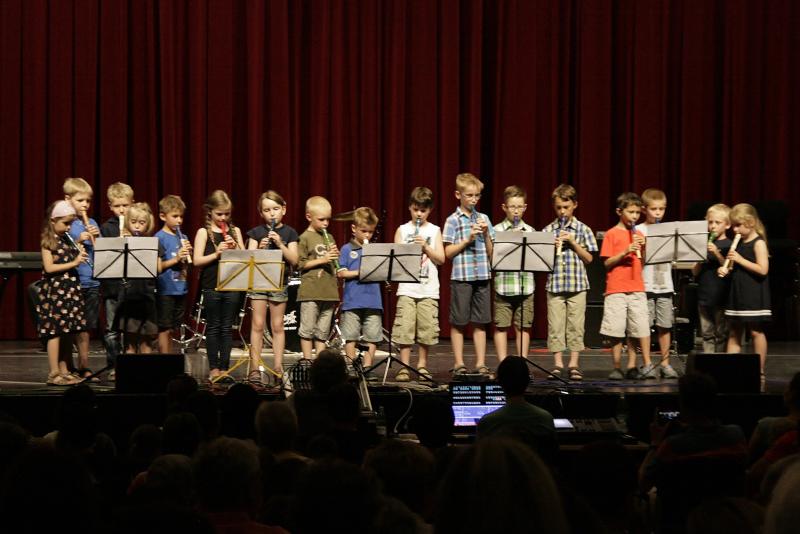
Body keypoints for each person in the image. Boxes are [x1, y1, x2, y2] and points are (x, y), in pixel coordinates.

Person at [542, 183, 598, 381]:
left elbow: (589, 259)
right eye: (558, 207)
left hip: (577, 286)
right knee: (556, 326)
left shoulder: (583, 230)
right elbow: (542, 261)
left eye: (566, 207)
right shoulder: (548, 230)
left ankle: (574, 363)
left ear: (574, 205)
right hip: (555, 285)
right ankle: (558, 364)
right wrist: (551, 247)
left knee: (576, 325)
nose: (562, 211)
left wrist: (573, 243)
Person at [442, 172, 495, 376]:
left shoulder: (484, 219)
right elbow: (448, 253)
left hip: (482, 275)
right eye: (469, 195)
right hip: (461, 278)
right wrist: (467, 239)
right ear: (458, 195)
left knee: (480, 322)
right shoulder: (452, 220)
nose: (473, 199)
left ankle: (481, 363)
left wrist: (486, 234)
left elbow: (491, 253)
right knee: (459, 321)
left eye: (477, 196)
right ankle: (459, 363)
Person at [391, 187, 445, 381]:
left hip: (428, 288)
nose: (419, 214)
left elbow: (441, 259)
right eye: (415, 209)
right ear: (410, 208)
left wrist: (426, 247)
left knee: (426, 329)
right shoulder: (402, 230)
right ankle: (404, 366)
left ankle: (422, 365)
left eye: (423, 210)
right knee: (405, 328)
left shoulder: (434, 230)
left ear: (429, 210)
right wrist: (409, 249)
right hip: (407, 288)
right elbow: (395, 259)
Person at [600, 192, 655, 380]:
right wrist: (625, 251)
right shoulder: (611, 234)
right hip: (616, 288)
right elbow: (607, 263)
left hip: (637, 287)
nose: (635, 216)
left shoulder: (638, 234)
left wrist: (644, 249)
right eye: (631, 212)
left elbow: (644, 262)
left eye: (637, 213)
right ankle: (616, 366)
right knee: (616, 330)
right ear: (619, 211)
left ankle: (632, 365)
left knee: (636, 329)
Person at [246, 190, 299, 379]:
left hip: (279, 282)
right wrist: (259, 248)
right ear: (261, 213)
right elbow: (247, 259)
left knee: (277, 326)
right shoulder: (256, 233)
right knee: (257, 325)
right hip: (259, 283)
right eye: (267, 210)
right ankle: (254, 368)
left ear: (283, 210)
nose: (272, 214)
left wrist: (280, 244)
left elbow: (294, 260)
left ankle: (278, 367)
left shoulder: (289, 232)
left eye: (276, 209)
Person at [192, 190, 245, 380]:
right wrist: (216, 254)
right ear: (210, 212)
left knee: (227, 328)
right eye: (219, 214)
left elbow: (245, 258)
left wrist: (235, 247)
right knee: (214, 327)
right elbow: (197, 260)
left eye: (227, 214)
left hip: (232, 284)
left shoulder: (235, 231)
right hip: (211, 285)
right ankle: (213, 368)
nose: (223, 218)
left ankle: (225, 368)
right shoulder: (203, 232)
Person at [37, 200, 89, 385]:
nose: (68, 227)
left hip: (69, 292)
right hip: (55, 293)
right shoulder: (48, 241)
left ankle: (65, 370)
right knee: (55, 333)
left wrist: (79, 250)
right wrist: (74, 263)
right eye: (65, 223)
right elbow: (49, 268)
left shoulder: (67, 239)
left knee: (68, 332)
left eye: (70, 223)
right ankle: (53, 373)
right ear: (53, 221)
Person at [718, 203, 771, 376]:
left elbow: (763, 269)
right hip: (738, 291)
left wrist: (739, 260)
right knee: (734, 331)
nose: (735, 229)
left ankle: (759, 370)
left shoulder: (758, 243)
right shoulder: (738, 242)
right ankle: (730, 370)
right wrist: (726, 268)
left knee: (755, 331)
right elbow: (734, 266)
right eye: (733, 225)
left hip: (753, 292)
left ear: (751, 223)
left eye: (738, 225)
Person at [632, 188, 680, 378]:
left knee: (664, 325)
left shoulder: (668, 230)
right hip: (645, 284)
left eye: (662, 209)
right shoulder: (639, 230)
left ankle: (666, 364)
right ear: (645, 209)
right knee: (644, 326)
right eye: (654, 209)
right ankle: (647, 363)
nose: (658, 213)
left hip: (665, 284)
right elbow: (638, 260)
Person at [476, 356, 556, 459]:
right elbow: (552, 457)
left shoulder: (487, 422)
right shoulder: (545, 418)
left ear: (499, 382)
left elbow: (480, 460)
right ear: (528, 381)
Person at [492, 185, 535, 361]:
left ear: (524, 207)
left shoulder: (531, 231)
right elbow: (494, 257)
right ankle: (503, 364)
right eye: (512, 207)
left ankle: (522, 364)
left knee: (523, 327)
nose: (516, 211)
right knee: (501, 326)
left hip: (526, 287)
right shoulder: (497, 230)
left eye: (519, 207)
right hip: (504, 286)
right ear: (504, 208)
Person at [63, 177, 100, 379]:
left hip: (92, 280)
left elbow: (102, 252)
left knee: (85, 327)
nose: (85, 205)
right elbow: (59, 250)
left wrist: (97, 238)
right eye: (80, 201)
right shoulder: (64, 224)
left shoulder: (92, 222)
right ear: (68, 199)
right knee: (70, 327)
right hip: (73, 280)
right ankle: (67, 367)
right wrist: (78, 239)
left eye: (88, 201)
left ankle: (84, 366)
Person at [337, 207, 382, 368]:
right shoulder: (346, 249)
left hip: (373, 300)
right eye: (364, 231)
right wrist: (360, 272)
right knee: (351, 335)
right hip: (352, 300)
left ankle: (367, 367)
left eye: (370, 232)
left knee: (372, 335)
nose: (367, 235)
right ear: (354, 228)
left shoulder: (376, 250)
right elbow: (341, 273)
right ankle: (352, 366)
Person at [296, 196, 340, 360]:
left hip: (328, 291)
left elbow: (335, 263)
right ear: (309, 217)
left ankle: (321, 364)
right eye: (321, 219)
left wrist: (336, 259)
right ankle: (307, 362)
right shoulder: (304, 238)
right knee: (307, 330)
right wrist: (323, 259)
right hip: (311, 291)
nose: (326, 223)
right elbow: (299, 264)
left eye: (328, 219)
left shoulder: (329, 237)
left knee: (322, 332)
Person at [100, 182, 134, 379]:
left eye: (125, 205)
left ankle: (129, 364)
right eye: (117, 206)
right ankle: (113, 365)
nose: (122, 210)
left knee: (130, 327)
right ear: (110, 206)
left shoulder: (136, 223)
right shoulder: (106, 228)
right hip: (112, 286)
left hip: (131, 285)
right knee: (112, 329)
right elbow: (105, 258)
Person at [116, 202, 160, 354]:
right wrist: (123, 243)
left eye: (141, 223)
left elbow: (158, 268)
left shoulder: (153, 243)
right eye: (133, 222)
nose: (137, 226)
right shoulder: (122, 243)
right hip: (128, 296)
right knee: (129, 342)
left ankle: (145, 375)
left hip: (146, 296)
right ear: (127, 222)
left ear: (148, 224)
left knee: (146, 340)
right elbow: (115, 266)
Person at [692, 203, 732, 353]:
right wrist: (698, 259)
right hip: (704, 295)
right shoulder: (703, 243)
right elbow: (695, 273)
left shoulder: (730, 245)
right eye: (710, 222)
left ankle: (720, 364)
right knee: (707, 334)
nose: (713, 226)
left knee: (721, 334)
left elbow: (728, 269)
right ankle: (709, 362)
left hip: (721, 296)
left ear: (727, 225)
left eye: (717, 222)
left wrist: (716, 253)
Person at [155, 195, 192, 353]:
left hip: (180, 288)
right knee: (164, 328)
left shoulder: (182, 237)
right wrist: (176, 258)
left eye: (181, 217)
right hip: (165, 290)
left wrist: (186, 257)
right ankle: (164, 359)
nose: (179, 221)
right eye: (175, 216)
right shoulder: (159, 238)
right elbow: (157, 268)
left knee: (173, 329)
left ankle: (169, 360)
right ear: (163, 216)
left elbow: (185, 268)